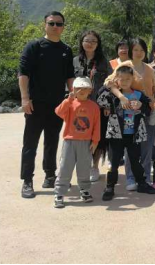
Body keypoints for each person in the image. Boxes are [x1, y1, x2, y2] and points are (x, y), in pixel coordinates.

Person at [19, 11, 75, 199]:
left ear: (63, 27)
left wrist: (73, 97)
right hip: (35, 104)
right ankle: (27, 180)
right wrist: (25, 98)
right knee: (30, 143)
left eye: (59, 24)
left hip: (57, 104)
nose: (55, 27)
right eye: (51, 23)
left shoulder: (66, 49)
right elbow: (23, 74)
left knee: (52, 141)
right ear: (44, 25)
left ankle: (50, 176)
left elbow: (69, 76)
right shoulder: (34, 46)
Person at [97, 65, 155, 201]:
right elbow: (100, 99)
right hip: (116, 135)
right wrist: (107, 87)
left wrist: (141, 106)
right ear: (116, 80)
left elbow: (148, 109)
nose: (124, 82)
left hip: (133, 135)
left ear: (132, 79)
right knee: (114, 162)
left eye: (127, 79)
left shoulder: (139, 94)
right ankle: (110, 187)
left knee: (135, 160)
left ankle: (141, 183)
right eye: (121, 79)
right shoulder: (113, 95)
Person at [108, 39, 155, 190]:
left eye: (142, 50)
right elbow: (108, 83)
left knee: (147, 148)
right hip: (128, 115)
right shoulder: (124, 66)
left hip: (146, 112)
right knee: (130, 148)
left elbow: (153, 91)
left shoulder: (150, 69)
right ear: (131, 51)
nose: (139, 53)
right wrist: (121, 97)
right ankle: (130, 178)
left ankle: (146, 176)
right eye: (136, 49)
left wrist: (149, 105)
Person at [53, 77, 101, 209]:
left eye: (85, 88)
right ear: (73, 89)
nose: (82, 91)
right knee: (65, 167)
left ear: (90, 90)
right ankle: (59, 192)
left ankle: (84, 190)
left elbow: (96, 125)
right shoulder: (70, 104)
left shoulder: (94, 107)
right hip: (70, 141)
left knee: (84, 167)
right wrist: (68, 99)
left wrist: (95, 140)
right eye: (78, 88)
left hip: (86, 142)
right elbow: (58, 112)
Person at [73, 31, 112, 183]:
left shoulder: (103, 62)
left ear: (98, 44)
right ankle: (84, 165)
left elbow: (110, 83)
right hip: (79, 106)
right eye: (87, 40)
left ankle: (94, 166)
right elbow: (69, 81)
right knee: (80, 136)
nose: (90, 43)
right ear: (82, 42)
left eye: (93, 41)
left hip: (98, 106)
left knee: (98, 137)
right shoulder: (75, 61)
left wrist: (107, 104)